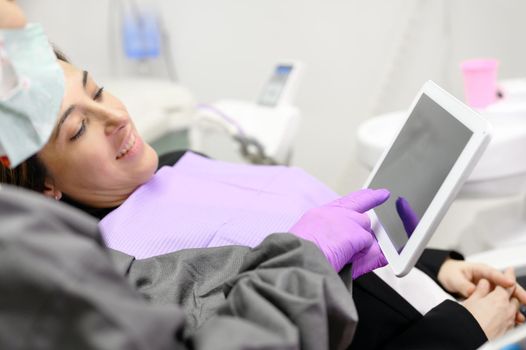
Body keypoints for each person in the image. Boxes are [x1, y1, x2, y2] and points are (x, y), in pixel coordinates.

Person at [0, 2, 524, 348]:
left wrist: (437, 270)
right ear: (45, 186)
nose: (115, 118)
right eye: (78, 129)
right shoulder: (123, 268)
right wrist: (463, 330)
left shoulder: (183, 166)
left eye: (96, 91)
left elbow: (337, 234)